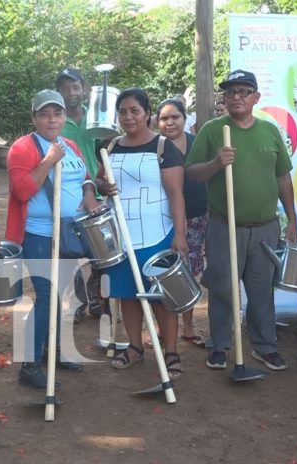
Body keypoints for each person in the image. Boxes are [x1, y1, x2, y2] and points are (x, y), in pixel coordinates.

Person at [186, 69, 297, 372]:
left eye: (244, 91)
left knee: (262, 290)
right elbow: (192, 173)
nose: (236, 96)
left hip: (265, 227)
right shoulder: (212, 130)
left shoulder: (270, 131)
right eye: (231, 91)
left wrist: (291, 219)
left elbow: (283, 176)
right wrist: (215, 163)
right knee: (222, 288)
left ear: (256, 98)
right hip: (225, 226)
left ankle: (264, 346)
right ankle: (220, 346)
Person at [6, 89, 100, 389]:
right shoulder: (23, 148)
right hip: (38, 235)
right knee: (46, 297)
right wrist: (47, 160)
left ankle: (54, 352)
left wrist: (89, 195)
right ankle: (29, 364)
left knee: (61, 297)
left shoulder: (69, 144)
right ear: (34, 117)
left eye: (57, 113)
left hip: (68, 233)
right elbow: (21, 191)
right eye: (44, 114)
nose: (51, 119)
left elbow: (86, 176)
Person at [96, 88, 188, 378]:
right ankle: (135, 347)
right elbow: (100, 180)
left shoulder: (163, 147)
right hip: (123, 236)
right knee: (128, 294)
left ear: (147, 113)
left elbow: (176, 195)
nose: (128, 116)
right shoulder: (110, 147)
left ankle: (171, 351)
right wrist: (102, 187)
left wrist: (180, 235)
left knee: (162, 296)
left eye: (134, 110)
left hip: (157, 233)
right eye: (122, 111)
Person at [55, 67, 107, 321]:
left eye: (75, 87)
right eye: (65, 89)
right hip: (66, 198)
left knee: (101, 253)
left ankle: (97, 299)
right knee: (69, 254)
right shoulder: (56, 122)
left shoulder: (96, 118)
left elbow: (105, 151)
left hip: (95, 194)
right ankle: (77, 303)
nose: (71, 93)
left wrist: (103, 180)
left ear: (84, 90)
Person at [157, 98, 207, 348]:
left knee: (191, 271)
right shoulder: (154, 147)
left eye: (175, 117)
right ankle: (161, 327)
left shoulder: (197, 144)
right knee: (165, 272)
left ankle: (188, 327)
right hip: (163, 218)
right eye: (164, 118)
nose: (170, 122)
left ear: (185, 119)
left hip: (197, 216)